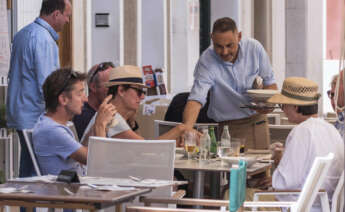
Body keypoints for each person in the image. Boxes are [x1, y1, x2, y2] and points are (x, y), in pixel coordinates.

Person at [183, 17, 277, 150]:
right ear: (212, 38)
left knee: (260, 168)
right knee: (230, 169)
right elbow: (196, 98)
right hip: (227, 127)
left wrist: (268, 105)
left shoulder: (254, 48)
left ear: (239, 36)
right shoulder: (207, 60)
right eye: (219, 46)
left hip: (257, 121)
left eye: (229, 45)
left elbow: (270, 83)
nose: (224, 52)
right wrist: (187, 129)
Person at [6, 0, 72, 177]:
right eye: (67, 16)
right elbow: (49, 84)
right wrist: (62, 112)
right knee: (37, 171)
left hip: (21, 111)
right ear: (56, 14)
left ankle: (26, 204)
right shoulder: (44, 39)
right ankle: (31, 205)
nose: (67, 21)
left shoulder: (22, 33)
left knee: (28, 167)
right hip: (35, 114)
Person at [263, 77, 344, 212]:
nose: (283, 110)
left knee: (238, 195)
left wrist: (278, 164)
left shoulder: (301, 131)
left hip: (301, 205)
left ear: (295, 106)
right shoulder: (330, 129)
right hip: (324, 204)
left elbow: (285, 184)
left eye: (283, 105)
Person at [33, 68, 115, 175]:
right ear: (63, 99)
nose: (85, 99)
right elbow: (98, 163)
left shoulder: (55, 124)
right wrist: (100, 125)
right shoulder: (52, 131)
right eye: (80, 94)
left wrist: (97, 123)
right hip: (67, 190)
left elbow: (82, 152)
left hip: (76, 187)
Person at [82, 65, 186, 144]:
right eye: (139, 92)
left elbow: (136, 148)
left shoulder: (111, 112)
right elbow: (147, 148)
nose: (142, 97)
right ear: (121, 90)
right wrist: (181, 128)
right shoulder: (111, 117)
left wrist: (132, 123)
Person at [72, 62, 114, 140]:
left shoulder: (108, 111)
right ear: (93, 87)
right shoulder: (81, 114)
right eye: (110, 86)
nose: (115, 91)